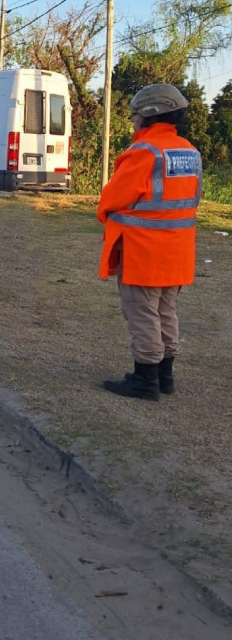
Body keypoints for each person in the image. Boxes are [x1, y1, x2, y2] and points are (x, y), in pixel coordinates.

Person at [98, 83, 202, 401]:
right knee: (166, 311)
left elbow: (112, 199)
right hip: (179, 252)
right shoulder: (190, 152)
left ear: (149, 114)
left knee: (142, 313)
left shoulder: (144, 152)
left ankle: (144, 379)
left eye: (135, 115)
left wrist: (106, 212)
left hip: (144, 252)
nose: (133, 121)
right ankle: (164, 375)